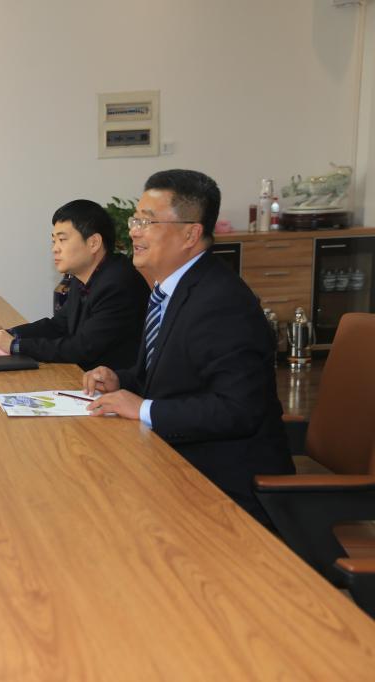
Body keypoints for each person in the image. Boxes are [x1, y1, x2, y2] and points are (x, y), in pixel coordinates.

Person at [82, 169, 292, 522]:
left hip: (226, 488)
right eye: (135, 220)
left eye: (147, 222)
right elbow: (170, 377)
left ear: (190, 234)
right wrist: (121, 379)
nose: (134, 231)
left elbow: (237, 410)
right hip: (177, 460)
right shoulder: (173, 289)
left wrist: (144, 408)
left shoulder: (221, 301)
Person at [0, 199, 149, 370]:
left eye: (62, 240)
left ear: (94, 243)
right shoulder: (82, 277)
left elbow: (82, 348)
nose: (55, 248)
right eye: (54, 241)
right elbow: (58, 326)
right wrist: (9, 334)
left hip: (114, 383)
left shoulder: (118, 283)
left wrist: (15, 345)